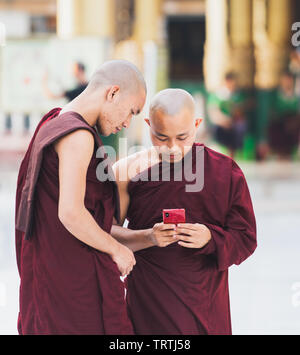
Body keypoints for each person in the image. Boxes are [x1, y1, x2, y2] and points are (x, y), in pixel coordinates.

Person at [15, 60, 146, 335]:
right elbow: (71, 212)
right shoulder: (78, 136)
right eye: (131, 112)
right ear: (112, 93)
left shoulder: (55, 119)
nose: (126, 122)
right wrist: (116, 249)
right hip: (72, 285)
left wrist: (147, 237)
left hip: (52, 275)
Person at [111, 88, 257, 335]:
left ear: (197, 124)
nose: (172, 148)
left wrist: (211, 238)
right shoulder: (126, 171)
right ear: (148, 124)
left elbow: (246, 238)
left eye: (182, 137)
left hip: (205, 304)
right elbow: (105, 234)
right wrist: (148, 237)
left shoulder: (224, 172)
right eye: (161, 137)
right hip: (149, 303)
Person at [207, 72, 249, 158]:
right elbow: (213, 113)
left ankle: (235, 153)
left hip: (234, 123)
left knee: (240, 127)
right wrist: (224, 121)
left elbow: (241, 113)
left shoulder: (238, 96)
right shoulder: (217, 95)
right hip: (220, 124)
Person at [267, 71, 300, 159]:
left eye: (289, 80)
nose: (287, 83)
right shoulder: (276, 95)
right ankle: (280, 153)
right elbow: (274, 110)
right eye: (285, 80)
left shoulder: (296, 96)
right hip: (280, 122)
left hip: (294, 122)